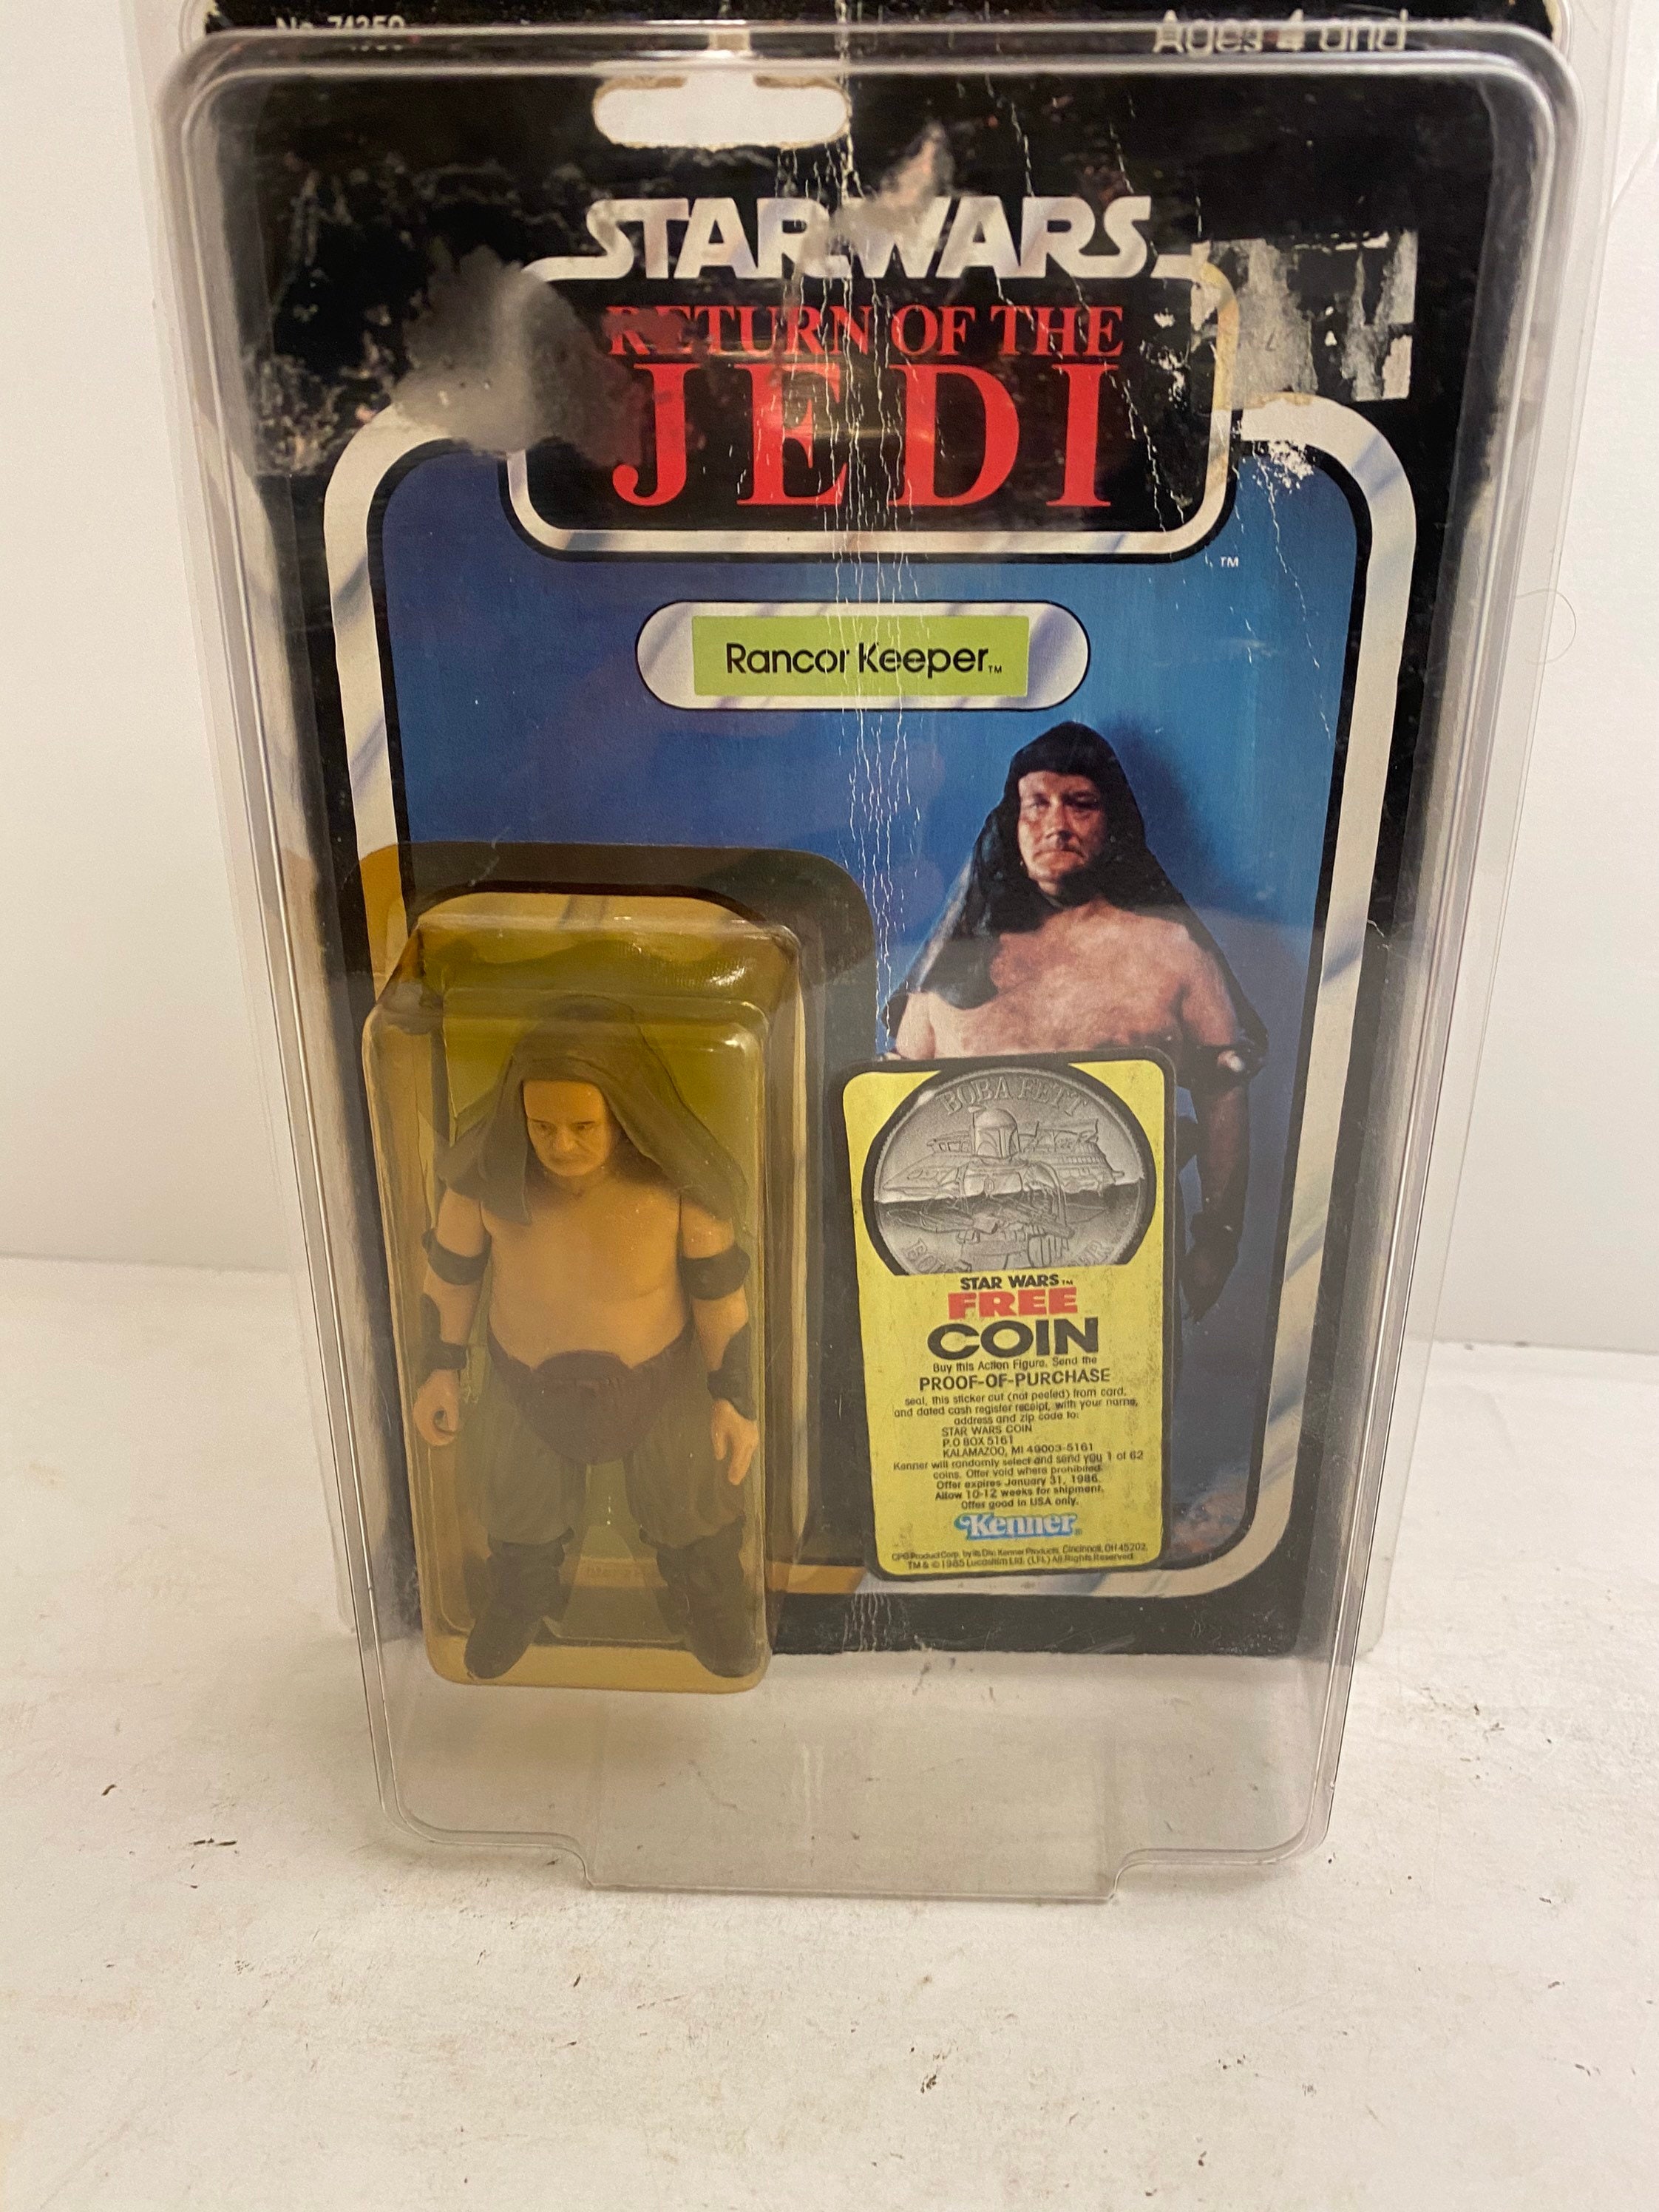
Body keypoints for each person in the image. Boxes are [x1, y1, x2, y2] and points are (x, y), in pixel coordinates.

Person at [410, 1001, 760, 1680]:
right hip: (524, 1380)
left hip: (661, 1378)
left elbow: (720, 1299)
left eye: (582, 1126)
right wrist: (440, 1370)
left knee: (690, 1501)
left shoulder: (681, 1189)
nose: (561, 1145)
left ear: (623, 1112)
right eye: (542, 1126)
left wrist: (732, 1396)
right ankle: (519, 1594)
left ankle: (708, 1596)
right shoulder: (481, 1185)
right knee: (517, 1504)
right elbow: (450, 1278)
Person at [888, 723, 1265, 1319]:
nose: (1057, 824)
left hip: (1128, 1261)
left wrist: (1217, 1238)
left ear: (1112, 823)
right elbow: (892, 1108)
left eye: (1080, 804)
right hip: (966, 1273)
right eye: (1037, 805)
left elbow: (1224, 1095)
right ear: (1012, 824)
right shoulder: (956, 963)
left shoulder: (1174, 953)